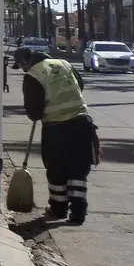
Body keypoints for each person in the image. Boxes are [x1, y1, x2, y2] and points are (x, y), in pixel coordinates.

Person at [13, 45, 99, 224]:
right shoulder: (64, 63)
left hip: (56, 129)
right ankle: (78, 213)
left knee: (57, 169)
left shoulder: (33, 75)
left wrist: (37, 112)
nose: (22, 69)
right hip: (82, 123)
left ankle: (58, 209)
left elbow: (34, 111)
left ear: (24, 62)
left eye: (20, 66)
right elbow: (79, 85)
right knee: (78, 169)